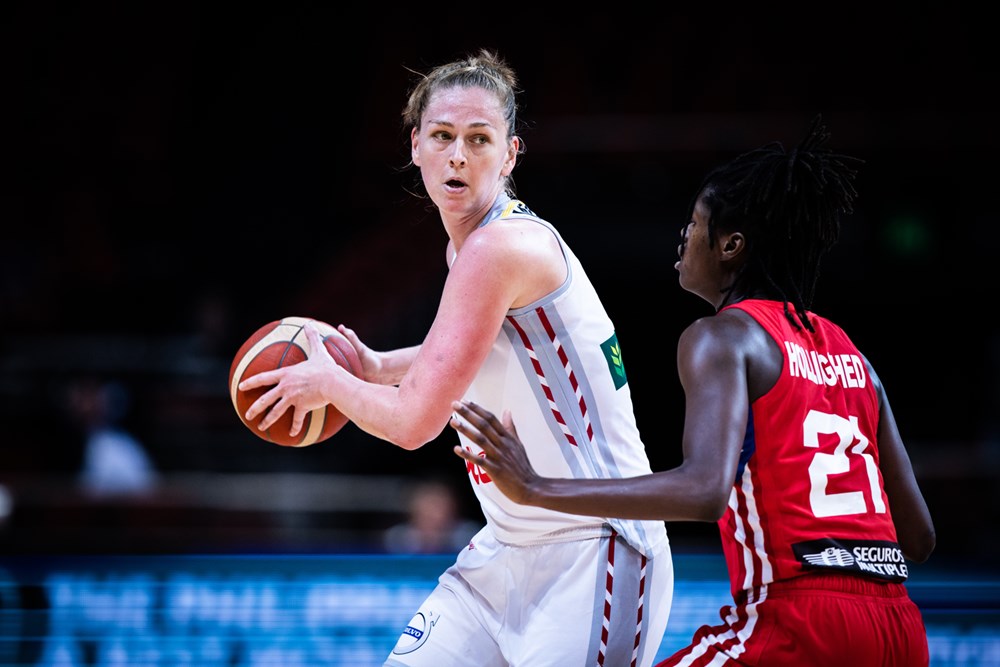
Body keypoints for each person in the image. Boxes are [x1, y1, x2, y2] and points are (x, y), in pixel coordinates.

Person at [449, 116, 936, 666]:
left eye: (696, 221)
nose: (684, 234)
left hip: (796, 621)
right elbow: (918, 537)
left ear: (731, 245)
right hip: (899, 630)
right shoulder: (856, 359)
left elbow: (705, 491)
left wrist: (538, 487)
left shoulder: (723, 338)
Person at [239, 49, 672, 667]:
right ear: (416, 146)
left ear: (511, 153)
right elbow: (476, 350)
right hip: (504, 549)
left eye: (479, 139)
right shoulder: (472, 251)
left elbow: (414, 424)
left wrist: (331, 383)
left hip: (594, 550)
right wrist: (374, 364)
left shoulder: (500, 249)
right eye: (442, 137)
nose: (459, 155)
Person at [382, 478, 482, 554]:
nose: (434, 512)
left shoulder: (469, 535)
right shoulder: (398, 537)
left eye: (440, 505)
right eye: (429, 504)